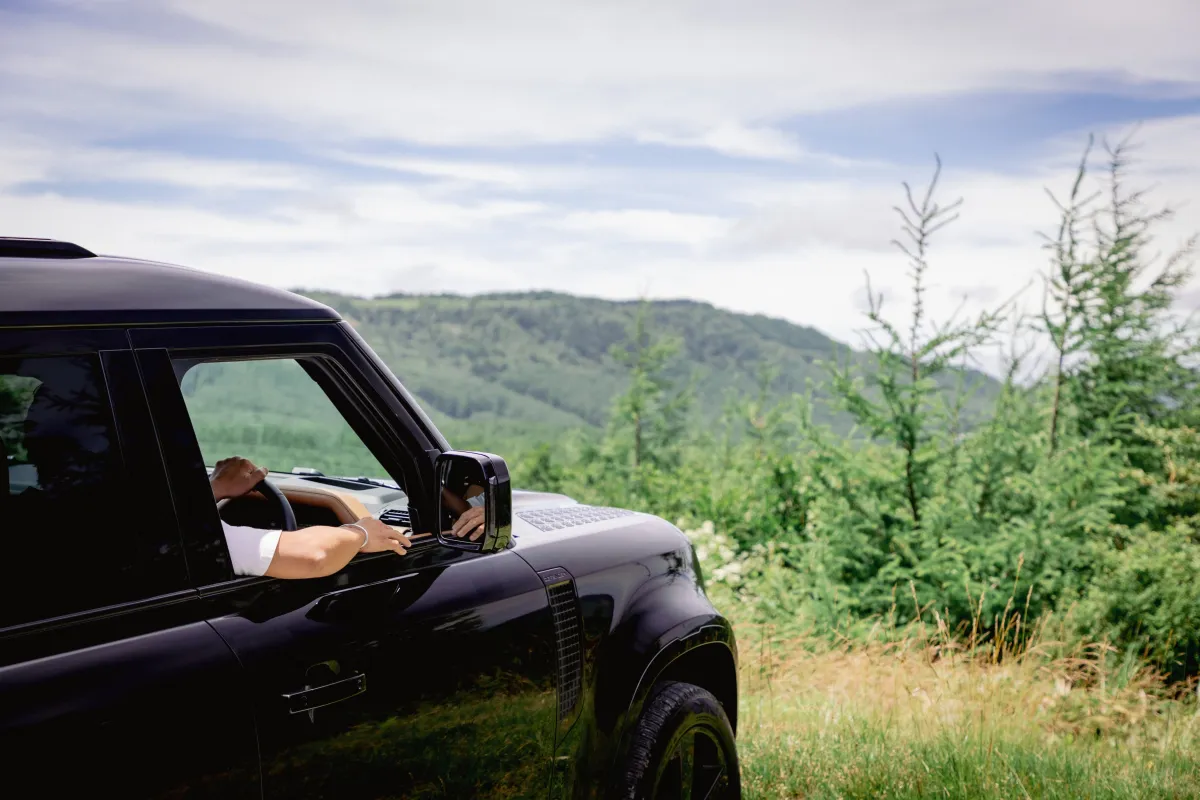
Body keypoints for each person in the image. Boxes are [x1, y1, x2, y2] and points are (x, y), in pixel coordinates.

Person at [210, 456, 412, 579]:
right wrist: (362, 534)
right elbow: (314, 558)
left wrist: (214, 489)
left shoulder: (193, 527)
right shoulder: (202, 537)